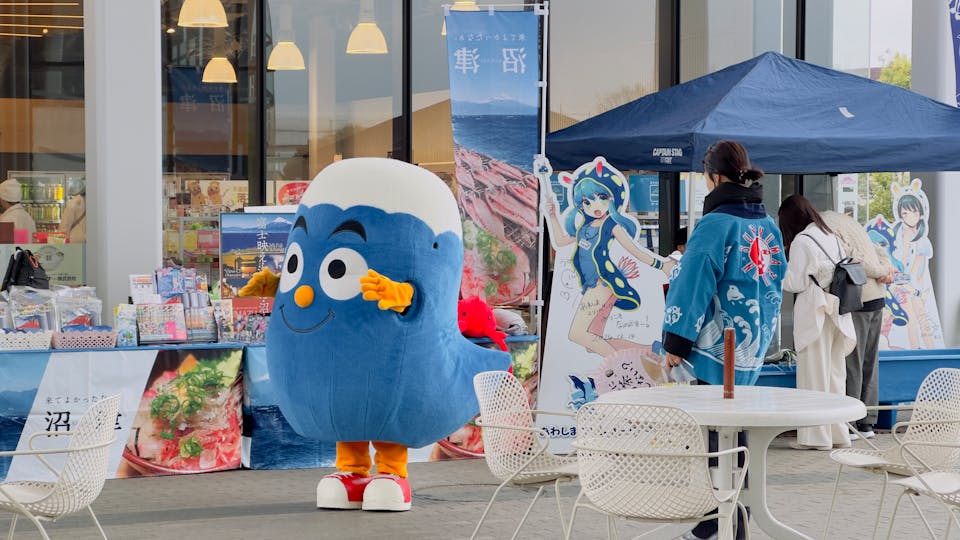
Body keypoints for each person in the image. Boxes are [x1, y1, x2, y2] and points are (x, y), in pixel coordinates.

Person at [662, 140, 786, 540]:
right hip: (750, 347)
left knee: (713, 437)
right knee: (737, 435)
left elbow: (692, 282)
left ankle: (714, 525)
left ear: (713, 177)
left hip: (715, 348)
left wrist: (675, 343)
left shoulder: (714, 225)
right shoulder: (766, 225)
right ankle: (736, 519)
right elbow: (774, 282)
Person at [779, 195, 856, 451]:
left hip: (815, 310)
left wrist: (778, 274)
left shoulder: (802, 240)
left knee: (814, 375)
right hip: (838, 309)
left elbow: (796, 282)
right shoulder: (830, 234)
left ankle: (816, 438)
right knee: (835, 375)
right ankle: (838, 433)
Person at [821, 210, 895, 439]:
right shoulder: (852, 224)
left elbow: (853, 258)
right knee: (869, 361)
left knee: (852, 359)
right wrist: (886, 269)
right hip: (877, 297)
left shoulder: (825, 227)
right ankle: (868, 421)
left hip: (859, 297)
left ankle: (852, 421)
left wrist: (881, 271)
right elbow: (878, 251)